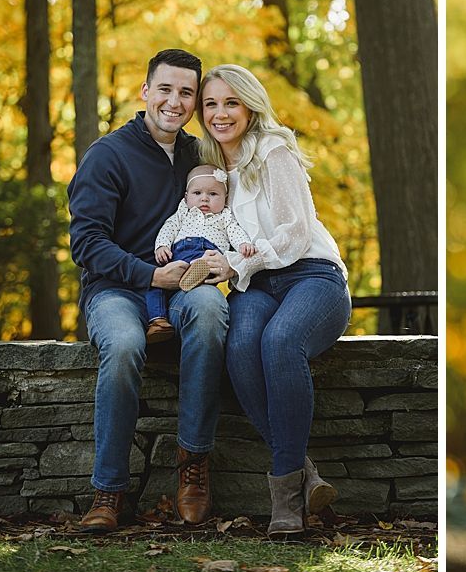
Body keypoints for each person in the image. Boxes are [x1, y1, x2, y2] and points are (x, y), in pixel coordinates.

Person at [68, 49, 228, 532]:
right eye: (166, 89)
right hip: (116, 288)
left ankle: (193, 468)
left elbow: (229, 218)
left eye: (186, 93)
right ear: (145, 92)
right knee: (122, 345)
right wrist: (148, 275)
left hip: (184, 287)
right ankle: (108, 491)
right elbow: (86, 243)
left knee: (207, 311)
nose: (175, 102)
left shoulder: (201, 158)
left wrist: (222, 260)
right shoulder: (108, 155)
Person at [195, 63, 351, 536]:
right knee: (240, 347)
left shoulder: (273, 151)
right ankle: (303, 474)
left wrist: (238, 264)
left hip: (311, 274)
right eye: (211, 104)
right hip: (257, 285)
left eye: (231, 102)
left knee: (281, 341)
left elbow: (296, 233)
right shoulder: (209, 168)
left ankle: (285, 503)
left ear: (249, 105)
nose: (220, 114)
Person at [145, 164, 257, 343]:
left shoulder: (225, 216)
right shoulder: (183, 211)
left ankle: (198, 271)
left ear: (225, 198)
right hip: (178, 255)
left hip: (207, 254)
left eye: (213, 194)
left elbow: (235, 231)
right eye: (197, 193)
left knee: (206, 262)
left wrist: (244, 244)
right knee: (155, 283)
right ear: (186, 196)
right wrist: (162, 246)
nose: (204, 199)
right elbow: (169, 227)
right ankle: (158, 321)